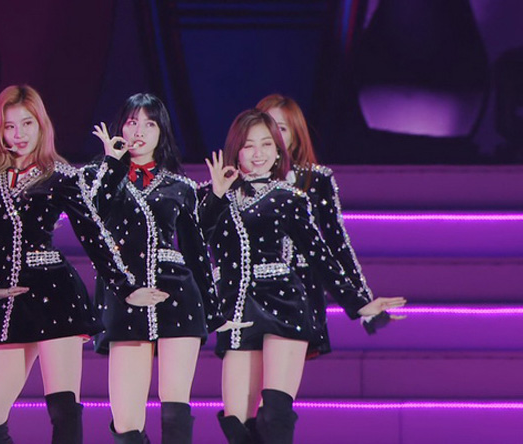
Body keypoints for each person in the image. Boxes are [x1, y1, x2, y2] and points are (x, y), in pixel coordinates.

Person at [0, 85, 151, 444]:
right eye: (10, 126)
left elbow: (93, 233)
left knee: (63, 410)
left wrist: (126, 287)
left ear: (41, 125)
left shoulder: (60, 176)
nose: (19, 134)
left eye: (27, 123)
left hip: (56, 294)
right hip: (9, 300)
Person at [199, 109, 406, 444]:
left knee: (275, 416)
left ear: (279, 150)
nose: (258, 153)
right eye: (249, 145)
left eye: (267, 144)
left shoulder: (291, 198)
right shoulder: (211, 196)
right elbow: (197, 242)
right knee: (236, 424)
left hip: (283, 302)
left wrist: (359, 304)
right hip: (237, 310)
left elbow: (320, 255)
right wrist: (217, 196)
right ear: (235, 150)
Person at [91, 93, 248, 444]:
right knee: (126, 422)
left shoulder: (181, 186)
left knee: (175, 409)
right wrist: (113, 164)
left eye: (150, 124)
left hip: (177, 293)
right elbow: (94, 217)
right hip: (126, 296)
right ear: (120, 127)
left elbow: (196, 249)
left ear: (162, 131)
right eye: (132, 122)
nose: (139, 132)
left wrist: (217, 198)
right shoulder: (99, 174)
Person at [255, 94, 397, 356]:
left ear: (296, 135)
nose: (273, 136)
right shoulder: (239, 184)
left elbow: (336, 244)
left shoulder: (316, 180)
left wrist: (362, 301)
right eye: (267, 127)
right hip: (252, 291)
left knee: (281, 377)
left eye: (282, 129)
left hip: (300, 291)